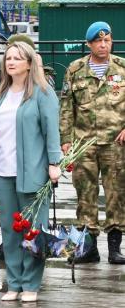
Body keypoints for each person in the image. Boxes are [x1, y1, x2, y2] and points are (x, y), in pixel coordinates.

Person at [0, 42, 61, 303]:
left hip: (32, 172)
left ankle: (31, 283)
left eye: (17, 58)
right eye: (8, 58)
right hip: (3, 172)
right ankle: (14, 282)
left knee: (32, 231)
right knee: (9, 230)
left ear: (29, 63)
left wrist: (55, 162)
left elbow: (51, 131)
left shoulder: (43, 93)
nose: (11, 62)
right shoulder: (1, 94)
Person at [60, 21, 125, 265]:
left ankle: (115, 248)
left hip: (115, 143)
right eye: (98, 41)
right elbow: (66, 107)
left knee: (116, 193)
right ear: (89, 44)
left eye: (107, 40)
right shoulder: (75, 69)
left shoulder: (122, 67)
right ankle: (88, 248)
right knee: (85, 195)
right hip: (84, 143)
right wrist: (66, 140)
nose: (103, 45)